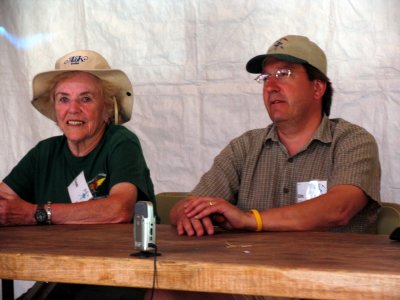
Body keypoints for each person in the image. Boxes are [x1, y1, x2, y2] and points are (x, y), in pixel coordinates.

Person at [146, 35, 381, 300]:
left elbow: (339, 208)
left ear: (317, 88)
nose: (271, 86)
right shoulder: (245, 146)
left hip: (327, 289)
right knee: (165, 289)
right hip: (248, 288)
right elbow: (189, 204)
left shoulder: (352, 140)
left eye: (284, 73)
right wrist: (188, 214)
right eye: (265, 78)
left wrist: (250, 220)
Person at [0, 50, 155, 299]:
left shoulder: (121, 142)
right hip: (62, 279)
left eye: (85, 99)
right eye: (63, 99)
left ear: (106, 107)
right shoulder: (45, 152)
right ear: (54, 108)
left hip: (117, 280)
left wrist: (35, 213)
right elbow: (3, 202)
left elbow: (119, 210)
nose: (73, 109)